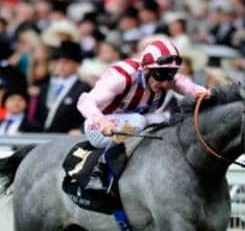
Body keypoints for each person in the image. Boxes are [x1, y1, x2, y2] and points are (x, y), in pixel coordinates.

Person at [77, 37, 209, 190]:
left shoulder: (162, 74)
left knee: (164, 120)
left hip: (129, 127)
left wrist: (207, 93)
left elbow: (189, 87)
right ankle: (100, 169)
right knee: (137, 120)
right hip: (99, 128)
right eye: (161, 75)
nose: (166, 83)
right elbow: (85, 101)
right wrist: (102, 122)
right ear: (146, 69)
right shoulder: (122, 76)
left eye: (170, 75)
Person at [27, 41, 89, 133]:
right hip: (41, 137)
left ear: (77, 65)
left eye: (66, 63)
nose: (61, 66)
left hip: (65, 139)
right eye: (59, 62)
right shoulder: (45, 86)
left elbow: (89, 115)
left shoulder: (84, 88)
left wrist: (80, 129)